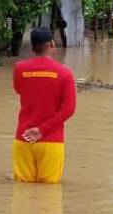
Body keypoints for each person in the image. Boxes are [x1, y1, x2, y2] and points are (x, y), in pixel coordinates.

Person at [12, 27, 76, 184]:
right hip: (51, 141)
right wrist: (42, 130)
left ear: (33, 46)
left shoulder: (20, 69)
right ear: (52, 44)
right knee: (49, 195)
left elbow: (19, 90)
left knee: (22, 191)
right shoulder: (64, 73)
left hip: (23, 138)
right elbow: (69, 108)